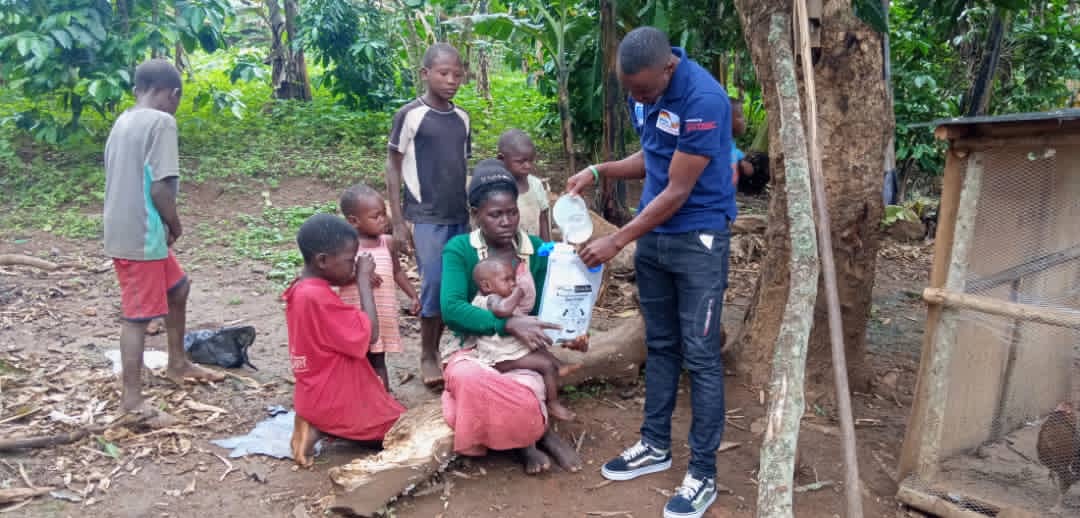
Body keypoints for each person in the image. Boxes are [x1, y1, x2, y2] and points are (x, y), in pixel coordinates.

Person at [566, 27, 734, 518]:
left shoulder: (704, 100)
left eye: (642, 90)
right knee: (660, 344)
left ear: (668, 68)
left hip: (698, 239)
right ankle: (655, 444)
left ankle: (703, 472)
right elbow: (653, 157)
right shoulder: (646, 90)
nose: (637, 98)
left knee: (700, 356)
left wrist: (618, 239)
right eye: (631, 91)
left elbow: (678, 189)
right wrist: (598, 171)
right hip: (655, 237)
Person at [440, 167, 585, 475]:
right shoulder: (460, 249)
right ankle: (532, 440)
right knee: (469, 378)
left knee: (528, 386)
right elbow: (451, 309)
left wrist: (568, 333)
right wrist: (505, 324)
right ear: (476, 214)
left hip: (521, 347)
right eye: (495, 215)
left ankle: (536, 433)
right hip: (472, 347)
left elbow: (548, 306)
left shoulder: (535, 249)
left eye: (512, 212)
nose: (506, 222)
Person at [103, 58, 223, 425]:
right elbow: (160, 188)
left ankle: (177, 363)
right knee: (137, 317)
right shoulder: (161, 122)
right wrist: (175, 224)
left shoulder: (123, 120)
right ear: (173, 94)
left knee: (178, 288)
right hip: (142, 232)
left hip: (129, 227)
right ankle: (131, 402)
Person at [284, 214, 405, 466]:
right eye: (350, 261)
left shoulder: (301, 289)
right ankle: (317, 428)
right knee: (400, 429)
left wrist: (351, 274)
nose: (354, 266)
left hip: (312, 392)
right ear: (322, 261)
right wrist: (363, 282)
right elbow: (370, 334)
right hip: (335, 396)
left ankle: (315, 423)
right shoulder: (319, 298)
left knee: (391, 414)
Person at [386, 43, 471, 388]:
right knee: (433, 283)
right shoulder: (410, 115)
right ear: (425, 74)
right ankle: (427, 353)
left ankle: (456, 348)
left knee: (457, 284)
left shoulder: (462, 118)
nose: (451, 81)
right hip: (425, 216)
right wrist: (397, 221)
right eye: (443, 73)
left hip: (458, 214)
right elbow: (393, 167)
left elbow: (462, 166)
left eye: (457, 75)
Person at [467, 256, 579, 421]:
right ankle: (553, 403)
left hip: (509, 349)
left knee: (538, 346)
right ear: (487, 286)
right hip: (500, 357)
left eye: (513, 279)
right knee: (546, 366)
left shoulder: (501, 297)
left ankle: (560, 365)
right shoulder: (491, 299)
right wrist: (519, 291)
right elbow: (503, 310)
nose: (513, 283)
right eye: (507, 280)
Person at [338, 184, 421, 392]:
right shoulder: (345, 247)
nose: (383, 220)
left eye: (384, 214)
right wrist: (359, 274)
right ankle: (359, 399)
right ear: (354, 221)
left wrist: (413, 295)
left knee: (378, 361)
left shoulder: (388, 243)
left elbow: (397, 271)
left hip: (381, 317)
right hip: (356, 317)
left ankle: (383, 399)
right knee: (356, 361)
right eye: (376, 216)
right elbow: (337, 278)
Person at [497, 130, 551, 241]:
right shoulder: (497, 188)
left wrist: (546, 245)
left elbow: (543, 217)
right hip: (507, 247)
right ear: (502, 159)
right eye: (520, 161)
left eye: (531, 160)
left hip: (535, 245)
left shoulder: (536, 184)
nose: (527, 166)